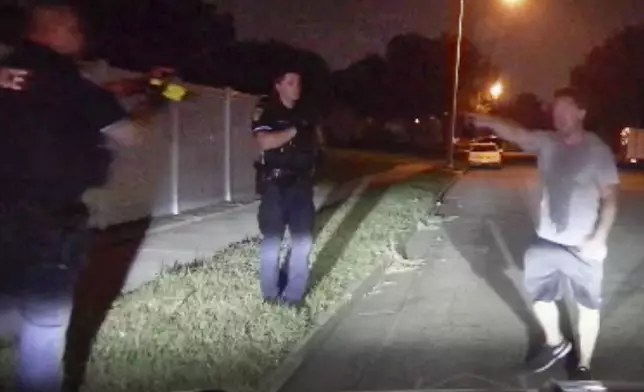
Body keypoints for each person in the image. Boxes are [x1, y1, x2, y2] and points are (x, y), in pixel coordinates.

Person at [0, 4, 149, 391]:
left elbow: (38, 103)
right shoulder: (70, 84)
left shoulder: (11, 72)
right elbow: (129, 135)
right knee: (42, 327)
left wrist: (119, 89)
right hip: (46, 226)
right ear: (60, 30)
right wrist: (154, 104)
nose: (82, 38)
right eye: (77, 30)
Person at [469, 88, 619, 381]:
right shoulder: (547, 142)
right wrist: (489, 120)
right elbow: (518, 132)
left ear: (581, 113)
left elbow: (611, 199)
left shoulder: (596, 151)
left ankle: (584, 365)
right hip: (546, 238)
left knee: (587, 306)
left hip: (582, 245)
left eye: (565, 111)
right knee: (539, 296)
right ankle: (556, 343)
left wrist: (599, 237)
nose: (558, 117)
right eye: (555, 111)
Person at [252, 69, 322, 308]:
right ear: (278, 85)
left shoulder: (306, 113)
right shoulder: (267, 110)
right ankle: (270, 295)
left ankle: (293, 297)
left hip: (302, 185)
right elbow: (265, 141)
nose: (296, 87)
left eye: (298, 82)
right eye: (290, 82)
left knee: (303, 241)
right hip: (275, 185)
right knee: (272, 240)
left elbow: (317, 144)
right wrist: (294, 130)